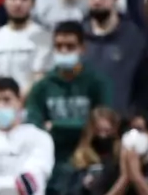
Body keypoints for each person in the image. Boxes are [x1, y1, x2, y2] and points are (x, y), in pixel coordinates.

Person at [25, 21, 112, 162]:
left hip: (90, 155)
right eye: (59, 46)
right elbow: (34, 126)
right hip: (51, 157)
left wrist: (55, 125)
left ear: (82, 48)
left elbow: (102, 126)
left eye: (70, 47)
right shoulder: (42, 86)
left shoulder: (98, 83)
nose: (64, 51)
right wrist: (82, 125)